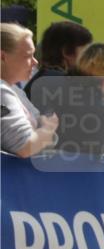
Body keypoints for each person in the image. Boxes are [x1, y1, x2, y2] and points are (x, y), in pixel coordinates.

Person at [1, 23, 59, 157]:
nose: (35, 62)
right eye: (28, 56)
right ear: (2, 57)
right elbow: (25, 147)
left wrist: (46, 131)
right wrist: (49, 128)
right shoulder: (2, 91)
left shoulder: (14, 89)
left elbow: (40, 129)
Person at [23, 20, 92, 98]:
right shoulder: (56, 83)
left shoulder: (45, 78)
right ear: (67, 51)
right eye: (86, 51)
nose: (90, 58)